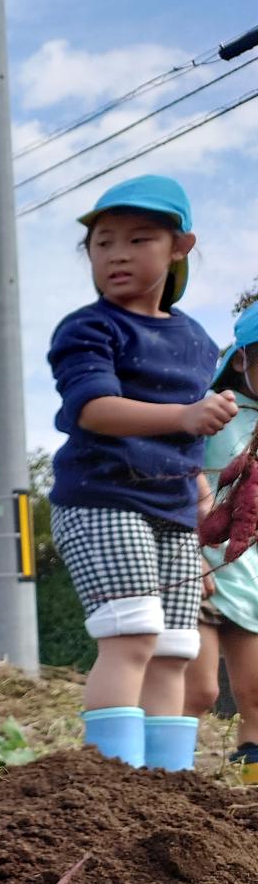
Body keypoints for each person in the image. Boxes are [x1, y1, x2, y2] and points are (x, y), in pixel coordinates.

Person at [48, 175, 233, 771]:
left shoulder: (198, 341)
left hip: (174, 510)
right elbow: (93, 410)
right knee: (131, 637)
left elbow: (188, 449)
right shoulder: (90, 329)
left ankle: (166, 788)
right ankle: (114, 786)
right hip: (101, 501)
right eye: (103, 242)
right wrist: (185, 413)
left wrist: (205, 519)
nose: (117, 254)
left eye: (139, 239)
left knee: (176, 649)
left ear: (180, 246)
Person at [185, 300, 258, 780]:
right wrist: (190, 547)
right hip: (202, 572)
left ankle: (251, 779)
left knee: (257, 693)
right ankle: (162, 781)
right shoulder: (218, 410)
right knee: (199, 691)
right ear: (241, 359)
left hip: (250, 577)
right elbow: (180, 461)